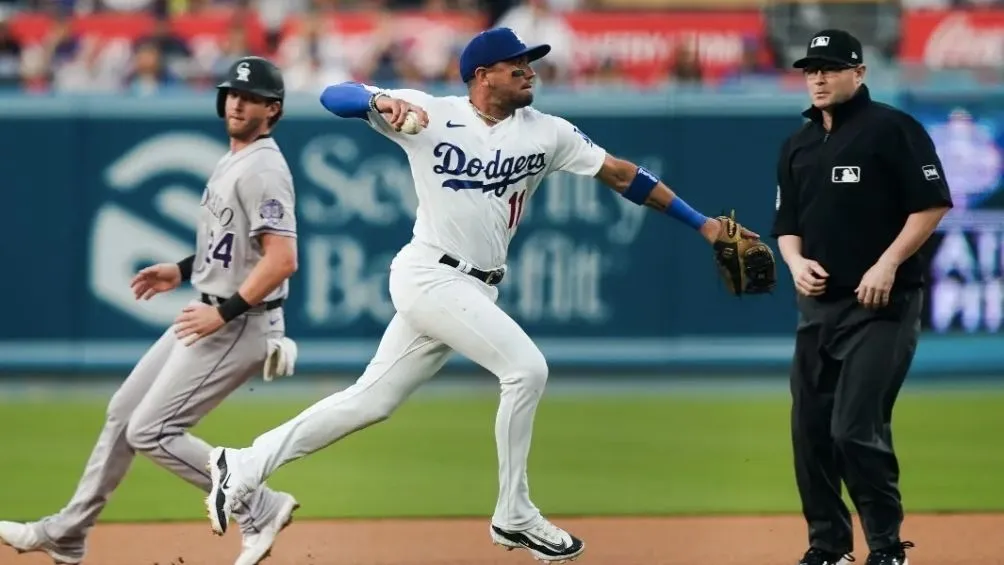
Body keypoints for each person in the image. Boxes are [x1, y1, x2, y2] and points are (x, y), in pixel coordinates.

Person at [204, 28, 755, 563]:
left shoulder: (548, 132)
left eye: (531, 62)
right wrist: (378, 100)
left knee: (371, 400)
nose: (529, 71)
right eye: (518, 64)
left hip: (475, 287)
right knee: (526, 370)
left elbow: (622, 175)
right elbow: (333, 95)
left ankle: (244, 465)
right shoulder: (430, 114)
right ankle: (514, 512)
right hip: (428, 274)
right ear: (483, 75)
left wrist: (704, 225)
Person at [0, 56, 301, 565]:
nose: (237, 103)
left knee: (151, 431)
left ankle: (260, 507)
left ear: (272, 109)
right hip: (208, 309)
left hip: (236, 322)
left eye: (251, 98)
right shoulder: (236, 158)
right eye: (233, 93)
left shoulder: (264, 169)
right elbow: (232, 246)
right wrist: (182, 270)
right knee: (123, 413)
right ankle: (68, 533)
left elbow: (282, 259)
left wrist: (224, 312)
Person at [771, 29, 953, 565]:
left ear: (859, 73)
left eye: (830, 68)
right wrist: (795, 262)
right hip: (818, 310)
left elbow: (932, 204)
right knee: (810, 433)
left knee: (854, 429)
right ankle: (828, 547)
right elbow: (787, 224)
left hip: (882, 308)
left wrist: (888, 263)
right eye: (811, 69)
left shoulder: (893, 129)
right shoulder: (798, 144)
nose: (818, 78)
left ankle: (887, 548)